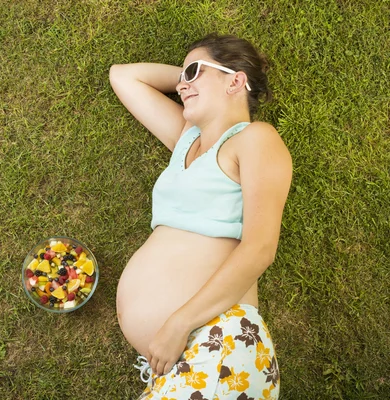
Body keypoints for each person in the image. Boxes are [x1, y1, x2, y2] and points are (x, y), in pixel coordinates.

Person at [110, 33, 292, 399]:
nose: (181, 85)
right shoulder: (185, 139)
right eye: (182, 77)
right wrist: (193, 77)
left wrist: (180, 322)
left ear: (236, 80)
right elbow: (123, 76)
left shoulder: (255, 139)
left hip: (220, 340)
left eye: (193, 72)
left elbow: (260, 248)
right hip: (193, 355)